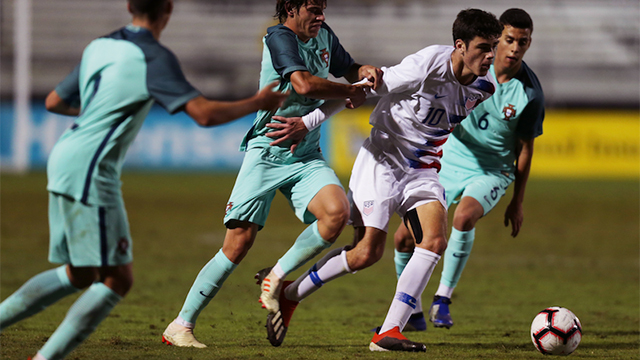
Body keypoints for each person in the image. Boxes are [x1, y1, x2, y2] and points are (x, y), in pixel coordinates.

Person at [0, 1, 288, 359]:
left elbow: (55, 101)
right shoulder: (153, 57)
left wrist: (97, 115)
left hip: (64, 157)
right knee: (117, 279)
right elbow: (203, 114)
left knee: (79, 273)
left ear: (129, 6)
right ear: (167, 10)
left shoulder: (98, 46)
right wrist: (257, 101)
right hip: (91, 168)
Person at [256, 8, 503, 352]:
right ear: (460, 46)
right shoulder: (428, 64)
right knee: (366, 253)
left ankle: (388, 332)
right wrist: (308, 121)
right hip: (381, 161)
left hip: (422, 171)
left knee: (433, 241)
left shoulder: (484, 87)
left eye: (493, 47)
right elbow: (359, 90)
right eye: (483, 47)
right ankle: (292, 293)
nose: (490, 55)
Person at [161, 0, 382, 348]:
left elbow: (349, 68)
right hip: (267, 151)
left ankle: (276, 277)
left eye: (323, 8)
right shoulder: (279, 38)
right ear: (291, 8)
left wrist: (363, 71)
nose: (321, 15)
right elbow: (304, 84)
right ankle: (181, 325)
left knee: (337, 213)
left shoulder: (324, 35)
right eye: (313, 8)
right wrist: (350, 91)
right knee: (238, 244)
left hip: (305, 152)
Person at [393, 8, 545, 331]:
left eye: (523, 42)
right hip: (450, 159)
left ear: (529, 44)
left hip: (493, 169)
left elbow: (526, 148)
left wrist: (517, 201)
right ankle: (412, 311)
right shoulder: (470, 69)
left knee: (463, 216)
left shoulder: (529, 93)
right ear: (496, 39)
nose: (515, 47)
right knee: (403, 239)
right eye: (509, 39)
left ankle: (442, 300)